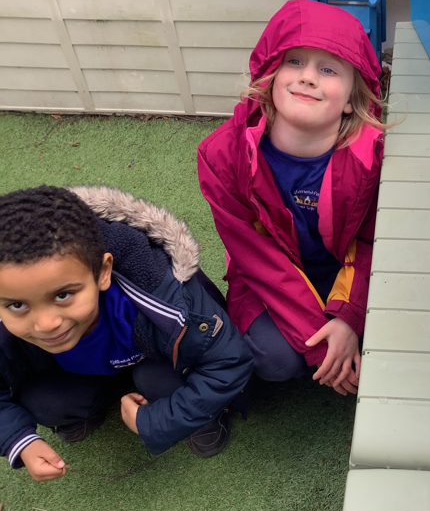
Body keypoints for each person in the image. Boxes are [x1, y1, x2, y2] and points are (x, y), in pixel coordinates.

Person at [198, 0, 387, 397]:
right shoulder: (223, 155)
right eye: (294, 61)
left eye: (329, 69)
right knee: (276, 359)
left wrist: (347, 317)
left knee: (394, 334)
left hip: (342, 270)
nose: (308, 77)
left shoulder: (371, 158)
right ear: (269, 74)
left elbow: (371, 241)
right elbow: (257, 257)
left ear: (351, 99)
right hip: (270, 276)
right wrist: (319, 346)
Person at [0, 186, 253, 481]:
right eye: (17, 305)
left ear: (102, 271)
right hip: (88, 370)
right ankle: (99, 399)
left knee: (156, 379)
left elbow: (228, 360)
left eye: (63, 295)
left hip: (157, 360)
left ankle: (204, 416)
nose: (46, 324)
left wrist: (161, 421)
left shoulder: (164, 289)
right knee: (45, 401)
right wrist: (19, 440)